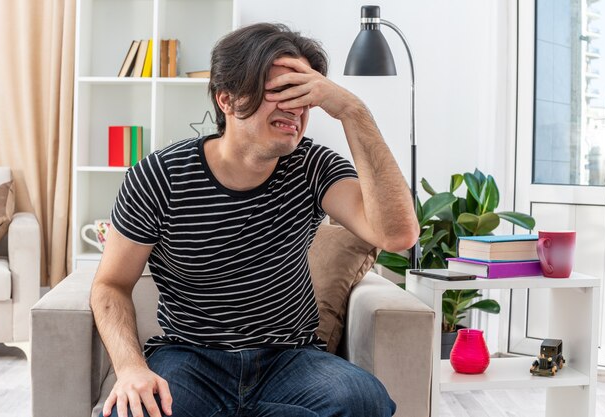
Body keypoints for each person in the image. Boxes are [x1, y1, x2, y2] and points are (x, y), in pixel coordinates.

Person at [90, 22, 419, 417]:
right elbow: (110, 285)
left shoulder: (312, 167)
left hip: (289, 360)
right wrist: (129, 369)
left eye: (305, 94)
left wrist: (352, 110)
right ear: (226, 99)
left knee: (363, 400)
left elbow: (398, 234)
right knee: (138, 410)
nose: (296, 107)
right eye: (281, 91)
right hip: (191, 359)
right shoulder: (161, 176)